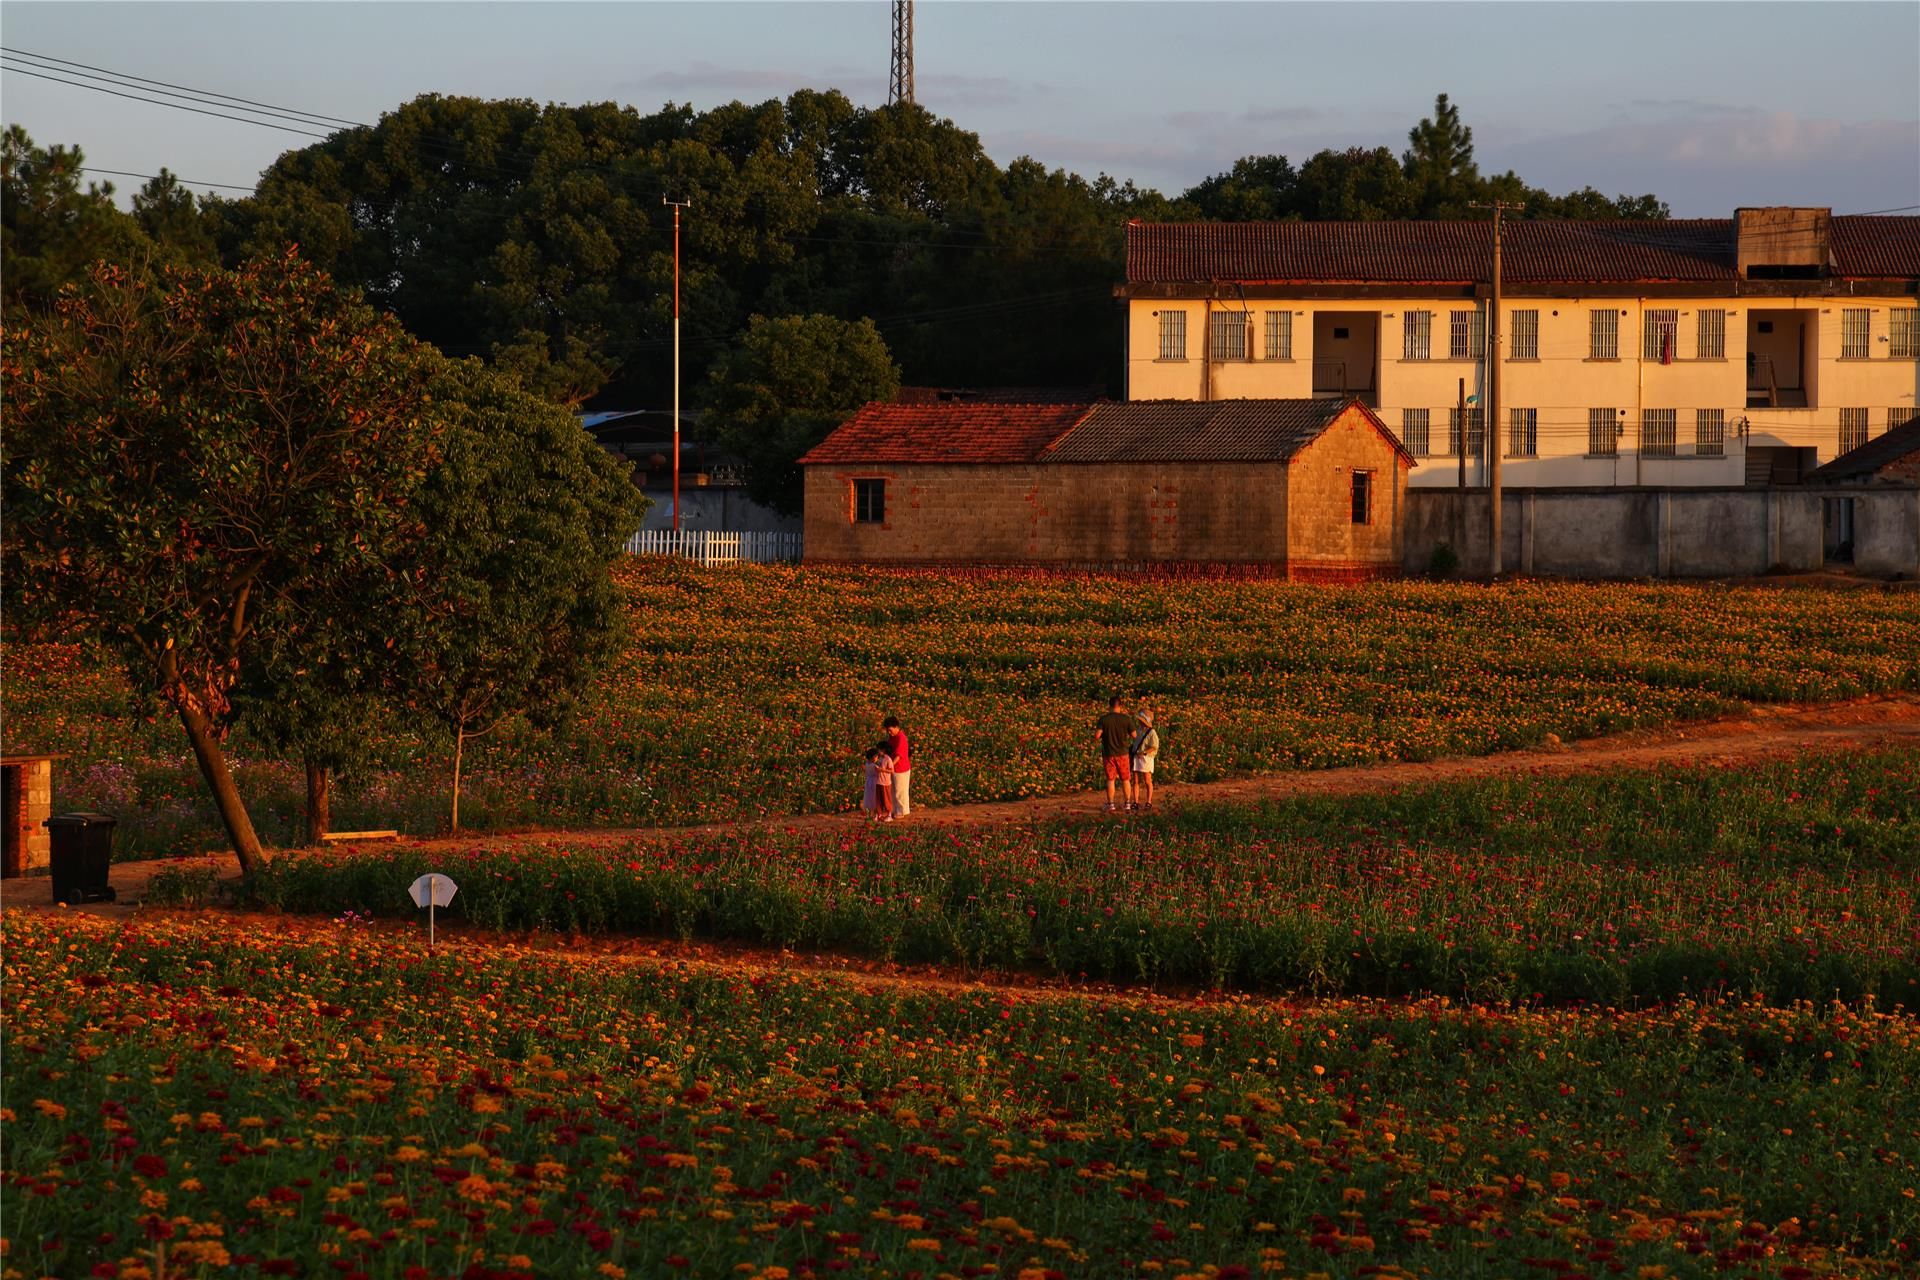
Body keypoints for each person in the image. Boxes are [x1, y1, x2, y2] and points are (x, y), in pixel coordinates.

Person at [1095, 696, 1137, 812]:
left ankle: (1111, 804)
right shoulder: (1126, 719)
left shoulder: (1103, 720)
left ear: (1109, 705)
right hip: (1123, 753)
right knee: (1125, 779)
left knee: (1110, 779)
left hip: (1109, 753)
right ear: (1120, 706)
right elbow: (1134, 735)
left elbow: (1097, 736)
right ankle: (1127, 803)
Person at [882, 716, 912, 818]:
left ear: (896, 727)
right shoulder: (892, 737)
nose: (889, 733)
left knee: (900, 790)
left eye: (890, 730)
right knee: (893, 790)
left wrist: (890, 766)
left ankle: (902, 811)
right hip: (893, 767)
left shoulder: (901, 738)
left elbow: (899, 755)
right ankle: (894, 810)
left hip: (901, 768)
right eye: (887, 731)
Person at [1130, 709, 1160, 810]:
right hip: (1137, 757)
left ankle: (1149, 801)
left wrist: (1144, 752)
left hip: (1146, 758)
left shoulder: (1152, 732)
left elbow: (1154, 746)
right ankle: (1136, 802)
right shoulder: (1139, 730)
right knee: (1136, 780)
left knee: (1147, 780)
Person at [862, 745, 893, 821]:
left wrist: (882, 770)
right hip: (877, 782)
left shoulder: (887, 759)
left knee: (884, 799)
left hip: (882, 782)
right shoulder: (876, 763)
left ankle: (887, 814)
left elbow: (891, 771)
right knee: (877, 800)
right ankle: (878, 814)